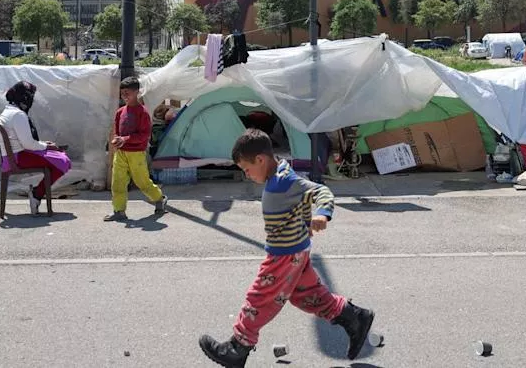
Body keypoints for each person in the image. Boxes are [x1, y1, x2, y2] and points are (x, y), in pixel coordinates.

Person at [199, 129, 374, 366]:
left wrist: (322, 215)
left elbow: (320, 191)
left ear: (260, 159)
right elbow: (299, 202)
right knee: (306, 295)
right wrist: (305, 221)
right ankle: (354, 317)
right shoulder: (279, 176)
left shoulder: (284, 181)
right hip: (295, 252)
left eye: (247, 169)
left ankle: (238, 347)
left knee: (259, 297)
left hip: (284, 255)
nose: (247, 175)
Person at [0, 81, 72, 215]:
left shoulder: (9, 110)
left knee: (58, 156)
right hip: (18, 158)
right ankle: (37, 194)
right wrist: (46, 146)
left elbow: (25, 141)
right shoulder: (18, 115)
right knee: (63, 161)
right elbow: (28, 144)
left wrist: (45, 145)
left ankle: (37, 193)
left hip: (11, 157)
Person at [104, 77, 168, 221]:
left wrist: (125, 139)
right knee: (117, 183)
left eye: (127, 93)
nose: (124, 96)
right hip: (121, 153)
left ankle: (159, 199)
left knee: (142, 182)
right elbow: (117, 132)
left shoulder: (142, 113)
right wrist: (117, 140)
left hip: (137, 154)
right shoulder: (120, 112)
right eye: (122, 93)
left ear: (137, 92)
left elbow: (144, 136)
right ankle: (119, 211)